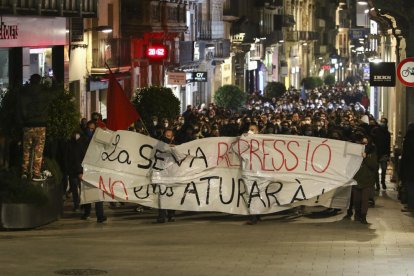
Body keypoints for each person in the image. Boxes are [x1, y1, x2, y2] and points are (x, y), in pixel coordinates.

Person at [19, 74, 54, 181]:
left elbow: (20, 109)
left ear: (30, 80)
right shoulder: (45, 93)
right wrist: (54, 81)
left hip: (28, 125)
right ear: (39, 81)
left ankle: (24, 172)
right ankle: (36, 173)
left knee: (26, 150)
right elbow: (56, 93)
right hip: (41, 125)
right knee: (38, 150)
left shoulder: (24, 93)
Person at [79, 120, 107, 223]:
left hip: (96, 170)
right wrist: (80, 171)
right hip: (86, 169)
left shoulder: (97, 141)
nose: (90, 130)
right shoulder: (82, 141)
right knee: (87, 192)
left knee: (98, 193)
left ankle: (100, 215)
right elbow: (79, 157)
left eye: (92, 129)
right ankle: (87, 212)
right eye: (89, 128)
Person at [352, 134, 378, 224]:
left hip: (367, 180)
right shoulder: (356, 153)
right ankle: (357, 215)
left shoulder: (372, 153)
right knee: (357, 200)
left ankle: (363, 217)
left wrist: (365, 157)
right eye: (362, 143)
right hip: (357, 180)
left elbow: (374, 166)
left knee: (365, 200)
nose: (364, 145)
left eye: (366, 143)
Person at [156, 128, 176, 223]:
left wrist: (172, 148)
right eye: (165, 136)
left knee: (171, 194)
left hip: (172, 174)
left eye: (169, 136)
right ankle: (162, 215)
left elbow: (180, 157)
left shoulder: (175, 147)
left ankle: (171, 214)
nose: (166, 138)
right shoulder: (158, 146)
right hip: (161, 174)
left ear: (172, 137)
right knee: (162, 195)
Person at [372, 117, 391, 190]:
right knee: (376, 170)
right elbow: (372, 138)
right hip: (376, 153)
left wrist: (388, 155)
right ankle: (377, 184)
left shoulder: (387, 133)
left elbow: (388, 145)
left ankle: (383, 181)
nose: (382, 123)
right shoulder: (376, 130)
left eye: (384, 122)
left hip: (384, 154)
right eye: (381, 121)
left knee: (384, 169)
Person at [400, 123, 414, 212]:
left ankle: (411, 206)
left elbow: (406, 154)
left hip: (409, 167)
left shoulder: (408, 138)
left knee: (410, 186)